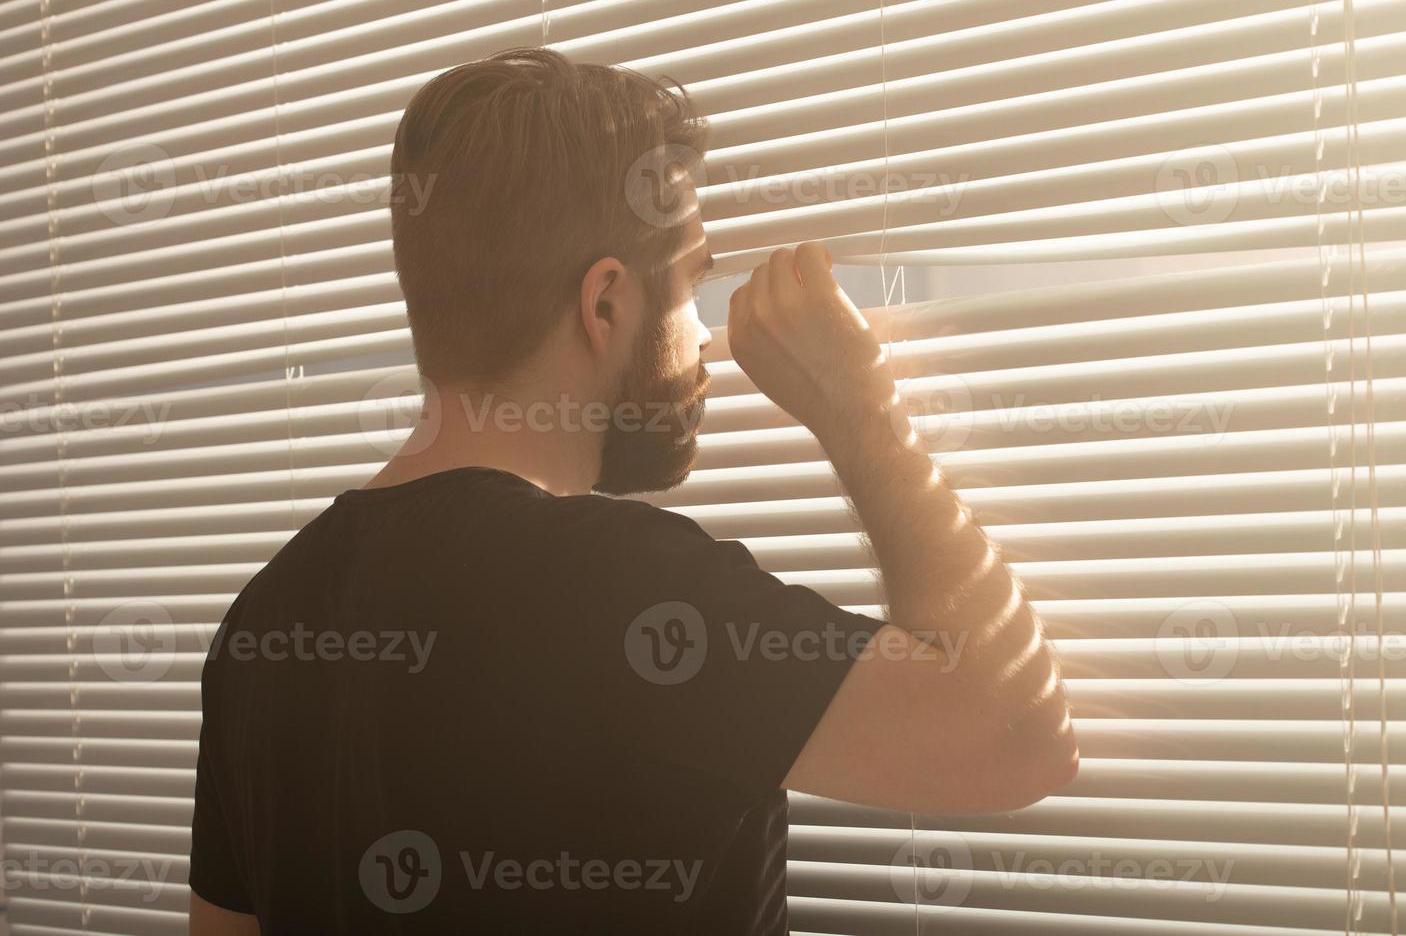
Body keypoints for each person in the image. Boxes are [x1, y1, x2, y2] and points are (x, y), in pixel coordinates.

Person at [188, 47, 1077, 936]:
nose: (705, 340)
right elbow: (1018, 739)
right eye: (691, 287)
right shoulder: (620, 588)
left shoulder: (262, 624)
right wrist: (859, 407)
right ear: (605, 304)